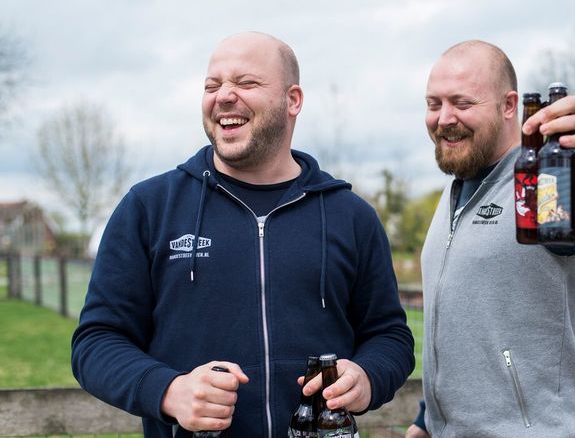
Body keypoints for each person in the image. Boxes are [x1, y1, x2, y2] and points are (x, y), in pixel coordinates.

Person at [72, 32, 415, 437]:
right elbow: (96, 343)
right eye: (212, 85)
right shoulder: (149, 208)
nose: (224, 96)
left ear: (293, 100)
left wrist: (368, 376)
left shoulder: (350, 216)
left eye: (246, 83)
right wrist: (169, 391)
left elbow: (390, 336)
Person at [406, 40, 575, 437]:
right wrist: (426, 418)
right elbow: (471, 327)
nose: (444, 118)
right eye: (434, 104)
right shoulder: (455, 192)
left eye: (462, 103)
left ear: (509, 106)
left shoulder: (544, 182)